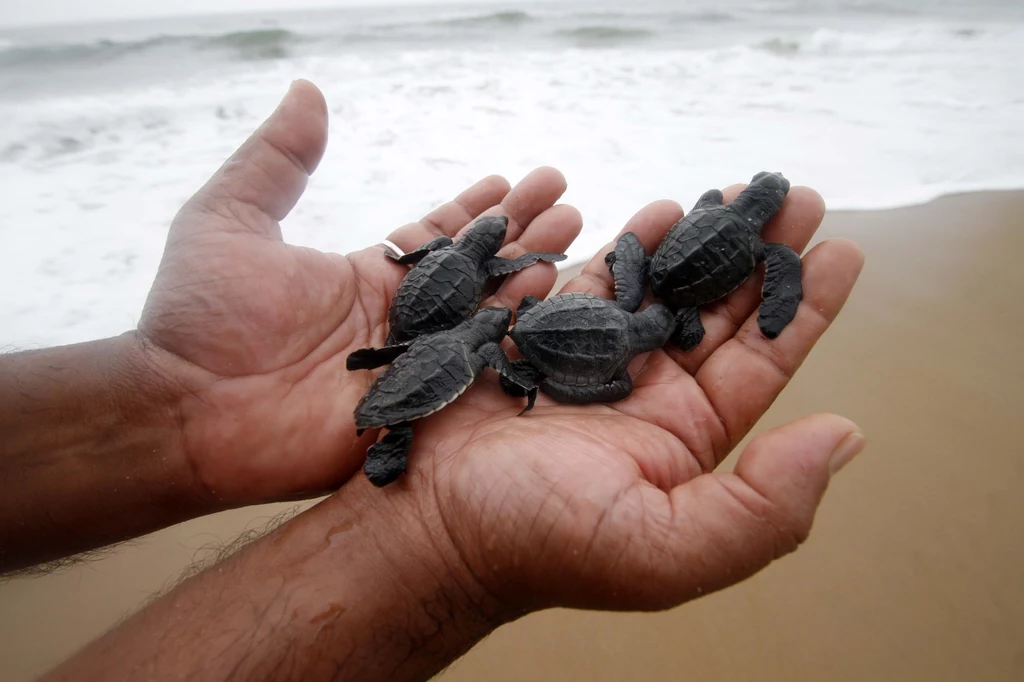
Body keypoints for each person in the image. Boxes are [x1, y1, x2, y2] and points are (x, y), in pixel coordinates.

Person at [0, 80, 866, 681]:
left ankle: (392, 397)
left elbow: (620, 266)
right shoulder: (748, 254)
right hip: (532, 335)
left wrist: (173, 392)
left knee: (453, 363)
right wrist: (538, 385)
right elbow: (558, 338)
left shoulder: (510, 293)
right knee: (460, 368)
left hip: (527, 327)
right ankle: (396, 409)